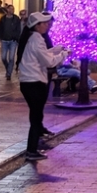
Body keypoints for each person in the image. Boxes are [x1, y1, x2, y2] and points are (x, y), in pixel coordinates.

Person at [19, 11, 65, 161]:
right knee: (36, 116)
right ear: (36, 25)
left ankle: (33, 148)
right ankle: (31, 150)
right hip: (34, 82)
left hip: (28, 81)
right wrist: (64, 55)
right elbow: (49, 62)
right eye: (44, 23)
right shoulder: (37, 39)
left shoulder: (32, 38)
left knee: (36, 116)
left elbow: (41, 55)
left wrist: (56, 50)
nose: (47, 25)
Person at [0, 7, 23, 81]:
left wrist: (16, 37)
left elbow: (18, 29)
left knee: (11, 58)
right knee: (3, 57)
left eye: (13, 9)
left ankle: (9, 74)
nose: (12, 10)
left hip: (13, 41)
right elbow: (0, 28)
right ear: (7, 10)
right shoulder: (3, 19)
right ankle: (8, 68)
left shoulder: (16, 19)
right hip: (4, 41)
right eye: (10, 9)